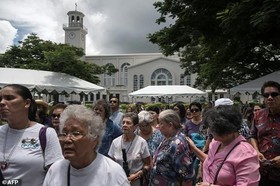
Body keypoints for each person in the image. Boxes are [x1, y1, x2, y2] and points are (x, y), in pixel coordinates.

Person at [43, 105, 130, 186]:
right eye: (64, 133)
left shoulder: (112, 173)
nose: (67, 139)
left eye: (76, 133)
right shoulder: (55, 170)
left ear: (94, 139)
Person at [0, 84, 63, 185]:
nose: (2, 102)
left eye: (9, 98)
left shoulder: (45, 133)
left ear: (27, 103)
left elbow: (56, 175)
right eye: (0, 99)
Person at [196, 105, 260, 186]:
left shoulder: (246, 154)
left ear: (225, 129)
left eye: (212, 128)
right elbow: (211, 162)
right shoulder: (216, 143)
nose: (209, 131)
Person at [149, 109, 194, 186]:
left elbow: (186, 177)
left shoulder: (178, 144)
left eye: (160, 123)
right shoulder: (168, 138)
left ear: (170, 125)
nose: (157, 126)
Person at [249, 81, 280, 185]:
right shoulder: (258, 115)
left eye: (274, 94)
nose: (270, 97)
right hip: (262, 171)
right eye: (266, 95)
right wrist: (256, 151)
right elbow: (252, 136)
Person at [108, 112, 151, 186]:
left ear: (135, 126)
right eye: (123, 122)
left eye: (128, 123)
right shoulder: (115, 142)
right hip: (119, 182)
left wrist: (137, 175)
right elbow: (111, 164)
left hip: (136, 182)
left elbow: (148, 164)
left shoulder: (141, 142)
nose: (124, 125)